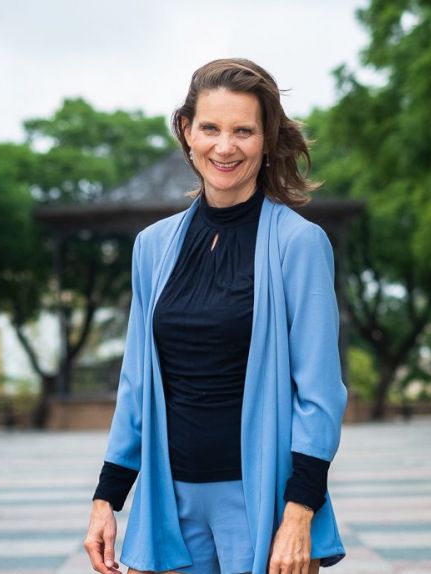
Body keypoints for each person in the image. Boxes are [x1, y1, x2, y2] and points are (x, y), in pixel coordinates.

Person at [83, 58, 348, 574]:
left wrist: (300, 512)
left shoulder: (299, 243)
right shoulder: (152, 247)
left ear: (267, 139)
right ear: (187, 131)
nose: (225, 147)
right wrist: (106, 498)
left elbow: (319, 392)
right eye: (210, 128)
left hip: (264, 502)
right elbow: (136, 383)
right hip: (168, 505)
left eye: (243, 131)